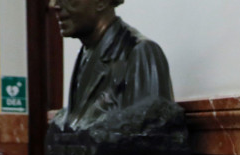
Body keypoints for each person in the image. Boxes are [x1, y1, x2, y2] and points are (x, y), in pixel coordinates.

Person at [47, 0, 174, 131]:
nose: (54, 5)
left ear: (101, 2)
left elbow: (152, 138)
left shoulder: (139, 53)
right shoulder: (85, 55)